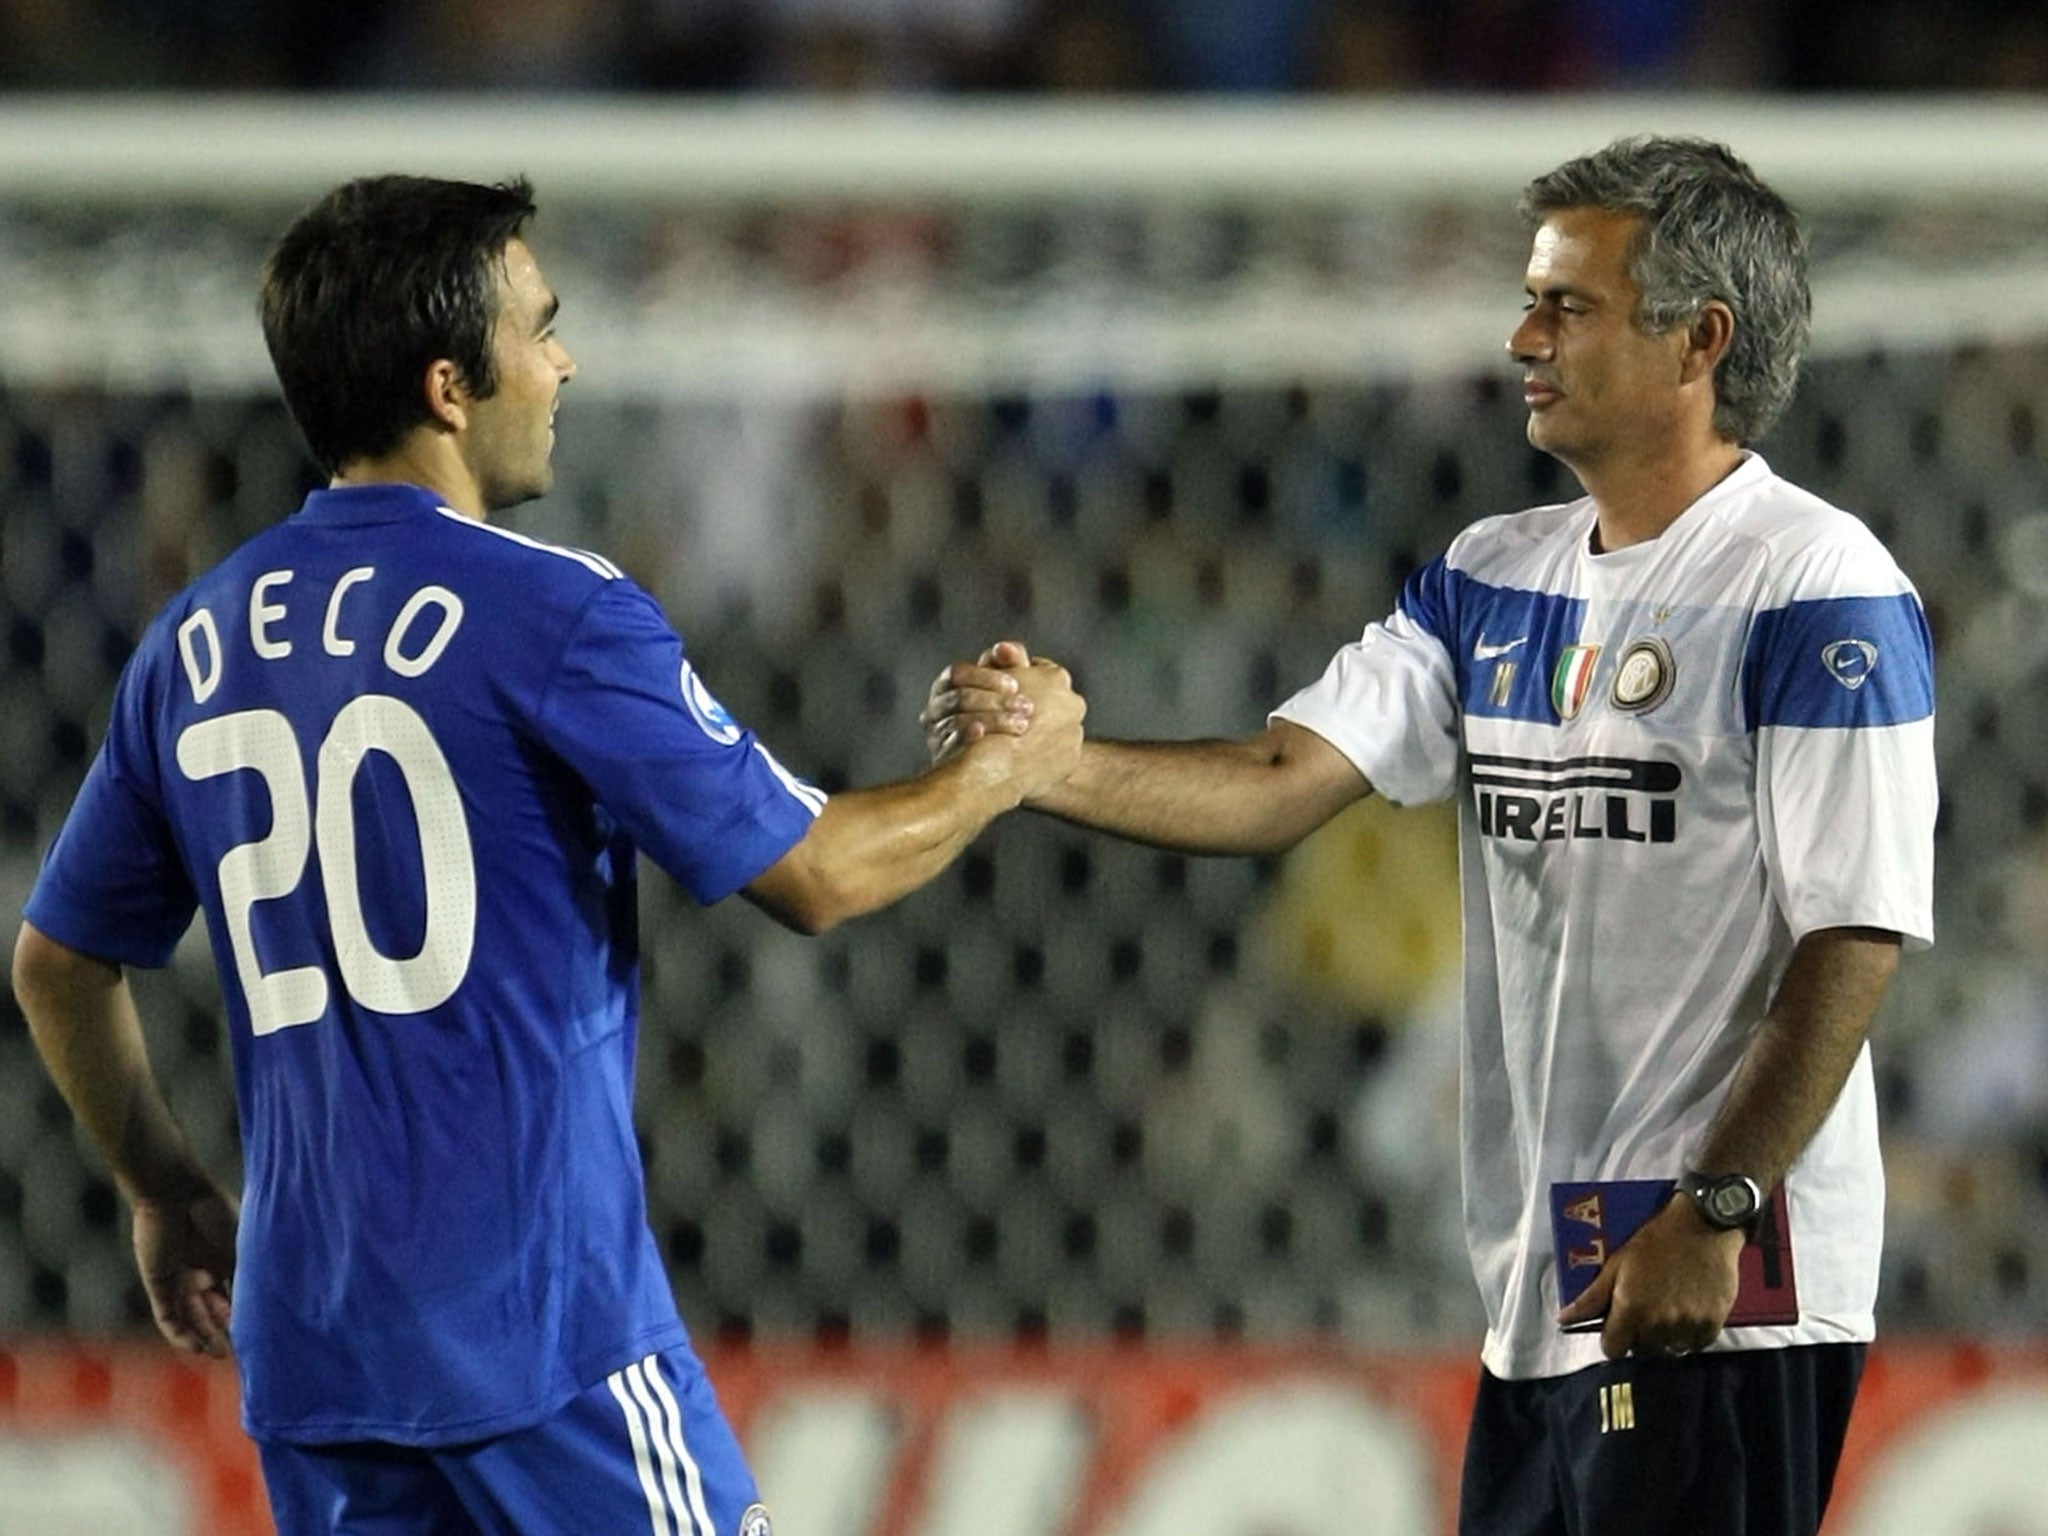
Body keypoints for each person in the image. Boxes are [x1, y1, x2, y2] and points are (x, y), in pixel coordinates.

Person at [10, 173, 1081, 1536]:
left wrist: (160, 1188)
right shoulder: (548, 611)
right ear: (451, 386)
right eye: (542, 327)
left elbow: (57, 963)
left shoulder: (195, 644)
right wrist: (1011, 766)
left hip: (319, 1362)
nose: (565, 361)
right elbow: (818, 876)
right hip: (542, 1347)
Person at [926, 136, 1935, 1536]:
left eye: (1568, 306)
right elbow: (1284, 776)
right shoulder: (1489, 577)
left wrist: (1717, 1206)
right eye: (1533, 299)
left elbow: (1854, 931)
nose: (1524, 335)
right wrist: (1053, 766)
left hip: (1731, 1284)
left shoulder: (1816, 587)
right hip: (1546, 1279)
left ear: (1699, 339)